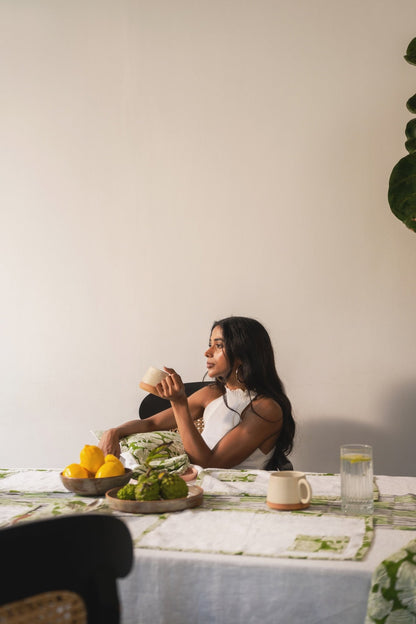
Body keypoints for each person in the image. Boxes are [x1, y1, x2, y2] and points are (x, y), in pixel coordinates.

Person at [99, 316, 295, 470]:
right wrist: (113, 432)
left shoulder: (266, 408)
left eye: (218, 345)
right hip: (197, 483)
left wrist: (179, 403)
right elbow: (152, 423)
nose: (207, 352)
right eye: (210, 343)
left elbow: (209, 464)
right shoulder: (212, 394)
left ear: (243, 354)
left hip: (230, 493)